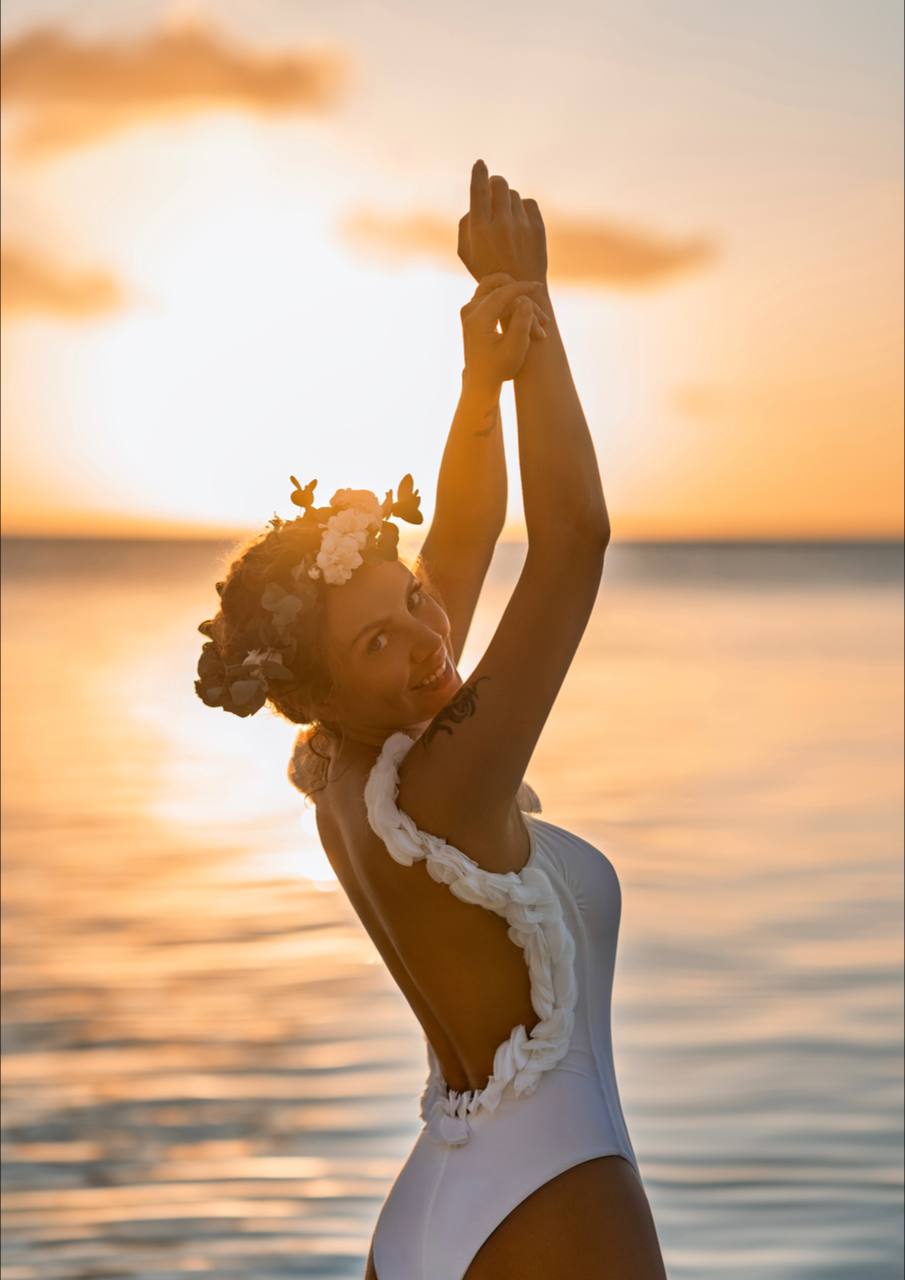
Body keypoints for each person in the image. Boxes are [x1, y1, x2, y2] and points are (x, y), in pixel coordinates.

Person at [195, 161, 667, 1279]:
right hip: (550, 1203)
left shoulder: (343, 767)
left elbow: (462, 529)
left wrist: (479, 375)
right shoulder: (445, 786)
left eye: (409, 598)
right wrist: (536, 310)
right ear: (317, 689)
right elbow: (571, 544)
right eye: (377, 640)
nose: (425, 639)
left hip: (432, 1211)